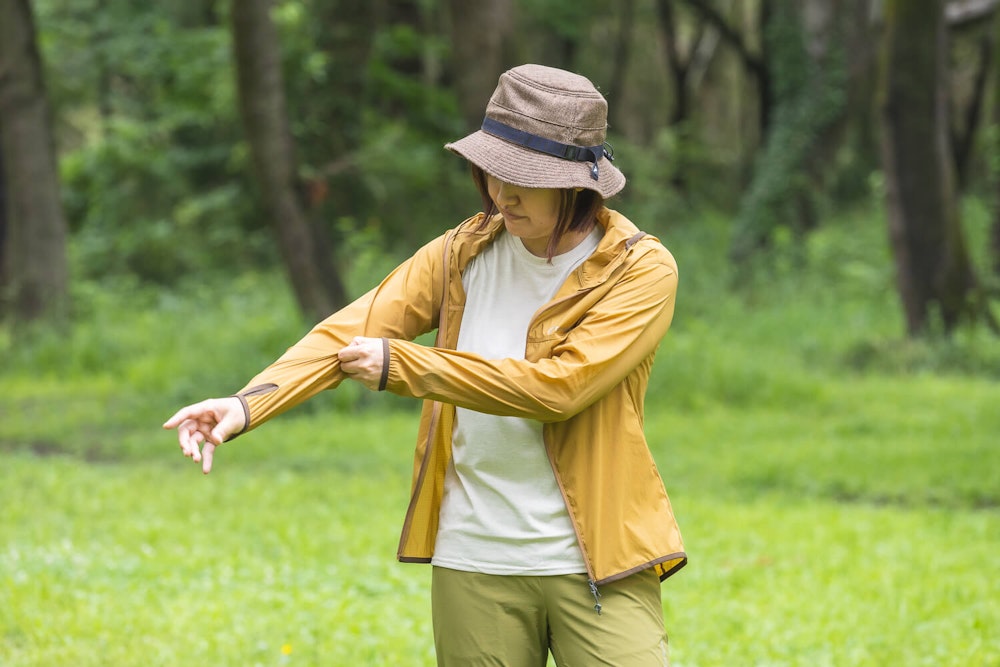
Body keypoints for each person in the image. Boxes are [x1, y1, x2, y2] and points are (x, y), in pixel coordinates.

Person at [164, 63, 685, 666]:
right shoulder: (462, 252)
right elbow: (353, 329)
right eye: (492, 172)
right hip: (476, 558)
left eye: (523, 178)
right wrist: (245, 403)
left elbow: (561, 387)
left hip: (601, 559)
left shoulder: (639, 269)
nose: (500, 193)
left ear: (577, 183)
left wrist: (411, 367)